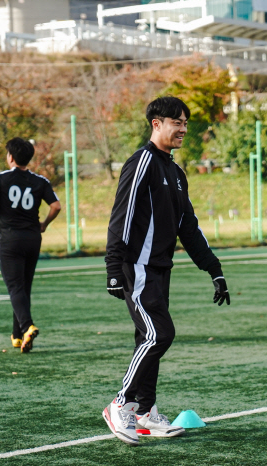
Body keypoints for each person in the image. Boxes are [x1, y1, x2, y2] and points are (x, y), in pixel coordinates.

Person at [103, 96, 230, 446]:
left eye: (186, 123)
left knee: (148, 339)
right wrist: (114, 267)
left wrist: (213, 269)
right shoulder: (141, 162)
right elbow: (121, 217)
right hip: (137, 267)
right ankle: (120, 404)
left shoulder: (175, 173)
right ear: (156, 124)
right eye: (177, 122)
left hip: (161, 269)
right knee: (159, 334)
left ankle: (145, 412)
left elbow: (188, 227)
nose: (184, 129)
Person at [0, 137, 61, 352]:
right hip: (33, 238)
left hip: (10, 239)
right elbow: (56, 206)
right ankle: (17, 335)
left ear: (10, 157)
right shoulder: (40, 181)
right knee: (23, 287)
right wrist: (44, 224)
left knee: (15, 287)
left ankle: (27, 326)